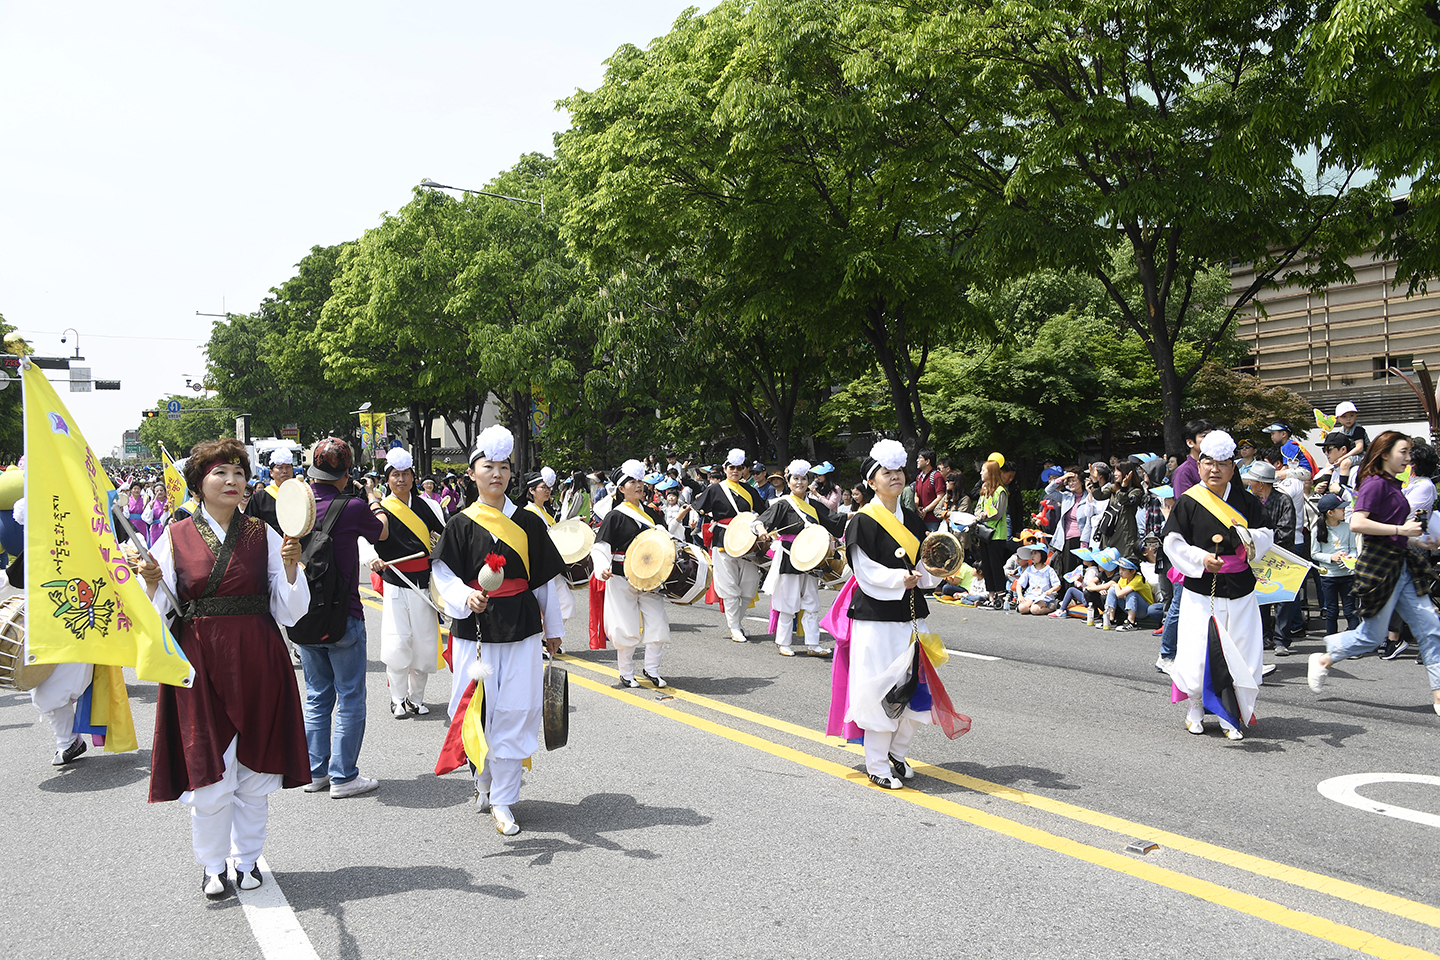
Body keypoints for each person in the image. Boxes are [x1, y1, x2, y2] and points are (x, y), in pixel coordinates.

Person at [136, 438, 311, 899]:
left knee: (254, 772)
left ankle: (248, 861)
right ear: (199, 483)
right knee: (210, 772)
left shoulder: (263, 533)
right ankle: (214, 865)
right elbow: (158, 610)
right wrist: (151, 583)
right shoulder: (174, 536)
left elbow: (289, 609)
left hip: (258, 656)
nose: (232, 481)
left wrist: (293, 571)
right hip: (201, 661)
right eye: (221, 473)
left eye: (238, 473)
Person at [431, 426, 566, 836]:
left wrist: (553, 627)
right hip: (474, 629)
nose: (497, 474)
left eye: (504, 467)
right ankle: (482, 780)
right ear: (472, 473)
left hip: (522, 627)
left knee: (516, 710)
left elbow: (543, 580)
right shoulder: (459, 523)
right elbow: (443, 573)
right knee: (472, 709)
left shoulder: (528, 521)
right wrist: (464, 597)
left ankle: (505, 798)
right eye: (488, 467)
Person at [824, 439, 968, 790]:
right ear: (872, 482)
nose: (895, 478)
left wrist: (937, 567)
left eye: (899, 472)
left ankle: (897, 753)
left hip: (913, 615)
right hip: (876, 617)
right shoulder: (862, 521)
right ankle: (876, 762)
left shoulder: (914, 520)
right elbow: (864, 571)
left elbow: (924, 568)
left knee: (917, 692)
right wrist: (897, 579)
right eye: (886, 473)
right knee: (880, 689)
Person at [1308, 432, 1440, 717]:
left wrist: (1418, 539)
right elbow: (1357, 522)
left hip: (1404, 565)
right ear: (1385, 454)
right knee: (1371, 636)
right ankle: (1323, 659)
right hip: (1379, 568)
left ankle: (1439, 697)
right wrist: (1402, 531)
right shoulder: (1374, 484)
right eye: (1403, 452)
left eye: (1409, 453)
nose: (1408, 459)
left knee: (1431, 629)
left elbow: (1395, 530)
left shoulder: (1395, 484)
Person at [1161, 430, 1274, 740]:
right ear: (1200, 466)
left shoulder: (1246, 501)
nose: (1214, 469)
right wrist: (1199, 559)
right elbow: (1172, 541)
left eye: (1222, 464)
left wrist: (1249, 540)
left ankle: (1230, 713)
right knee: (1198, 651)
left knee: (1240, 652)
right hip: (1201, 590)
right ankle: (1195, 708)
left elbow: (1267, 533)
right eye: (1208, 462)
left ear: (1232, 468)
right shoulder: (1189, 501)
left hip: (1240, 588)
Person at [300, 437, 388, 799]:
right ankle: (344, 776)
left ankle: (314, 772)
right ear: (347, 472)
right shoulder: (352, 506)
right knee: (350, 696)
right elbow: (381, 531)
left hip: (304, 615)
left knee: (317, 696)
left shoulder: (297, 506)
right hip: (344, 615)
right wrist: (373, 497)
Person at [366, 447, 447, 718]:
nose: (401, 479)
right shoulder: (381, 508)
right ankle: (397, 698)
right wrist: (372, 559)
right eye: (395, 475)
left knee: (424, 644)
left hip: (423, 584)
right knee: (398, 642)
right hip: (395, 582)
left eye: (405, 474)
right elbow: (366, 540)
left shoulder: (427, 506)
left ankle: (416, 698)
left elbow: (443, 537)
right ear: (387, 479)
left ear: (413, 477)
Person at [594, 459, 672, 687]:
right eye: (631, 482)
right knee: (625, 625)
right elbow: (601, 546)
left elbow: (666, 540)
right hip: (621, 575)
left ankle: (652, 669)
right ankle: (626, 672)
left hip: (651, 578)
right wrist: (602, 567)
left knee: (658, 623)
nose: (638, 485)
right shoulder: (615, 516)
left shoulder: (653, 514)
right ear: (620, 489)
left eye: (640, 481)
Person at [758, 459, 847, 656]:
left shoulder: (814, 505)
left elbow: (834, 520)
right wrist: (762, 530)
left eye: (804, 479)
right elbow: (761, 521)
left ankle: (813, 644)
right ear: (788, 481)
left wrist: (856, 515)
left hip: (811, 557)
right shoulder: (782, 504)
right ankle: (783, 642)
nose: (800, 482)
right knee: (788, 601)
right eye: (795, 479)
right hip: (790, 555)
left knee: (812, 601)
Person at [1157, 419, 1214, 673]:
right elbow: (1185, 509)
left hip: (1213, 546)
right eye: (1204, 436)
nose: (1210, 439)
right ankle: (1167, 655)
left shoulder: (1217, 468)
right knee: (1180, 602)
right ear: (1191, 442)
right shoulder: (1185, 472)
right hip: (1191, 548)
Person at [695, 448, 768, 643]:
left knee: (749, 586)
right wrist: (694, 518)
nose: (735, 471)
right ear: (726, 469)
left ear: (744, 470)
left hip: (746, 540)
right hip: (723, 539)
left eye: (739, 468)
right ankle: (734, 626)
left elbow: (764, 512)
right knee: (729, 586)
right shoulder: (715, 489)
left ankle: (737, 621)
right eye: (731, 467)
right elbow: (699, 508)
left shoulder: (751, 490)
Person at [1244, 461, 1297, 654]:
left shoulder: (1284, 500)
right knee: (1261, 597)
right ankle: (1263, 636)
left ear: (1262, 483)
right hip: (1258, 556)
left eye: (1253, 479)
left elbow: (1286, 531)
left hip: (1280, 555)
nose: (1249, 482)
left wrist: (1265, 541)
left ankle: (1281, 639)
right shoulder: (1251, 501)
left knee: (1282, 598)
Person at [1310, 493, 1357, 636]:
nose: (1344, 511)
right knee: (1331, 611)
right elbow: (1314, 553)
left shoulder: (1348, 527)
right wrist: (1332, 557)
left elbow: (1354, 549)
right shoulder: (1317, 530)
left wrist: (1349, 558)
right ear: (1330, 513)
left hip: (1348, 574)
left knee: (1350, 610)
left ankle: (1354, 644)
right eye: (1341, 508)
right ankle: (1331, 643)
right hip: (1329, 576)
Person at [973, 459, 1009, 607]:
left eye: (984, 470)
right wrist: (979, 515)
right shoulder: (984, 490)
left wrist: (984, 515)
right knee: (986, 565)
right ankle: (991, 595)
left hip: (996, 534)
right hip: (984, 534)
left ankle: (1001, 594)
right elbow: (977, 509)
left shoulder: (1001, 491)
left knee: (995, 565)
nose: (981, 473)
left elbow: (998, 513)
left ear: (991, 472)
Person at [243, 448, 296, 532]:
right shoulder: (260, 498)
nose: (285, 471)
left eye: (288, 467)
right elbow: (248, 525)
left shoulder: (300, 493)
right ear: (271, 473)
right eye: (280, 467)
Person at [1015, 542, 1061, 615]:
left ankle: (1051, 608)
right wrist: (1020, 596)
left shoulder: (1049, 570)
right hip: (1031, 595)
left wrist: (1051, 590)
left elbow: (1057, 585)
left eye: (1035, 553)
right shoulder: (1029, 569)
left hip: (1044, 596)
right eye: (1032, 553)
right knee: (1022, 608)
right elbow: (1019, 584)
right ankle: (1032, 606)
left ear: (1042, 555)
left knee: (1035, 610)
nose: (1032, 556)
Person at [914, 448, 944, 532]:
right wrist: (917, 508)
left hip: (933, 520)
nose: (917, 460)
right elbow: (916, 494)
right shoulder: (919, 476)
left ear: (927, 461)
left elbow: (940, 496)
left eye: (920, 458)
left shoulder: (936, 476)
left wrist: (926, 510)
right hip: (920, 518)